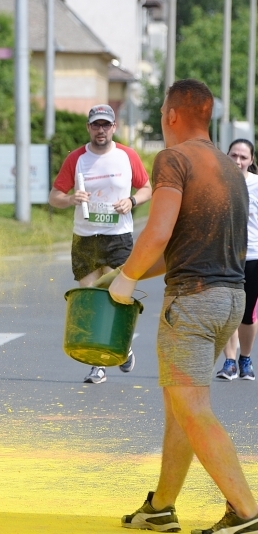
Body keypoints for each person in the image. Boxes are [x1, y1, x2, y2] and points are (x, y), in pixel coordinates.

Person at [98, 80, 258, 534]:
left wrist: (126, 280)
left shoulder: (174, 159)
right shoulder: (230, 167)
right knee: (180, 407)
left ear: (171, 115)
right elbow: (181, 249)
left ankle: (247, 512)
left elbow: (159, 231)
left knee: (192, 407)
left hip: (191, 303)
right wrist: (123, 274)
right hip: (230, 299)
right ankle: (162, 507)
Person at [49, 104, 152, 384]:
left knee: (118, 296)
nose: (101, 130)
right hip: (84, 237)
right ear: (89, 128)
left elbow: (147, 188)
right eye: (96, 125)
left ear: (114, 128)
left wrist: (131, 201)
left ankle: (123, 347)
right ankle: (98, 365)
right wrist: (70, 199)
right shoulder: (76, 159)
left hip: (118, 236)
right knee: (91, 298)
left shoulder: (127, 156)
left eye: (106, 125)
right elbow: (54, 195)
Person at [215, 139, 258, 381]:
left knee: (247, 315)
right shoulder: (218, 184)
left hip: (253, 256)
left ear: (251, 160)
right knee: (225, 311)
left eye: (243, 157)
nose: (238, 161)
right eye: (234, 155)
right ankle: (229, 362)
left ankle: (246, 358)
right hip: (224, 256)